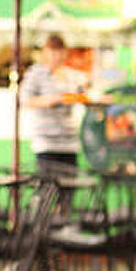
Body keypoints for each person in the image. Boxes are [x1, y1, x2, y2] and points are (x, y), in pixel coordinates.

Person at [21, 34, 87, 176]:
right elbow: (25, 100)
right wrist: (51, 100)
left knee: (69, 185)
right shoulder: (36, 73)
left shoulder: (72, 75)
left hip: (69, 142)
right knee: (48, 185)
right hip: (46, 142)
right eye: (53, 52)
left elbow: (84, 96)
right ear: (45, 52)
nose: (57, 57)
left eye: (60, 52)